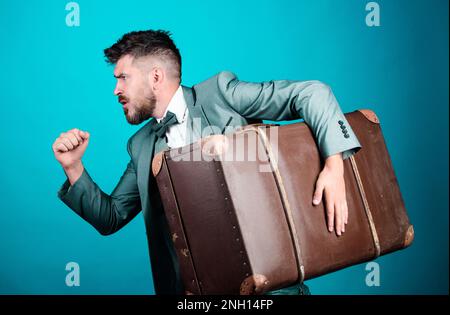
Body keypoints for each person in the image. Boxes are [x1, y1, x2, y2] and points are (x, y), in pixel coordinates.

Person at [53, 30, 361, 295]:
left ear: (156, 76)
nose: (116, 89)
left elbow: (313, 94)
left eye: (123, 77)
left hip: (270, 287)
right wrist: (73, 168)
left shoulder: (221, 94)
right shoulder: (141, 144)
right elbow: (111, 217)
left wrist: (335, 166)